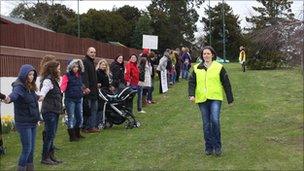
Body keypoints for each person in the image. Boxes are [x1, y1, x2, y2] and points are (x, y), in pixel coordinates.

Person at [188, 46, 234, 157]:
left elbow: (226, 83)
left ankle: (217, 147)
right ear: (202, 55)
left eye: (208, 53)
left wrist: (230, 98)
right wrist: (191, 95)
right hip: (202, 98)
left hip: (215, 98)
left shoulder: (219, 67)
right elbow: (192, 82)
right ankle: (208, 147)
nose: (206, 55)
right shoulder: (196, 68)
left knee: (215, 120)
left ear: (212, 55)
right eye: (204, 54)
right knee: (206, 124)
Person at [4, 64, 40, 171]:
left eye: (33, 74)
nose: (31, 77)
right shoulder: (18, 86)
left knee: (31, 149)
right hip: (24, 123)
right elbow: (15, 95)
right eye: (29, 74)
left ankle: (30, 169)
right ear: (24, 74)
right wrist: (8, 98)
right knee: (27, 149)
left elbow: (31, 97)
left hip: (32, 121)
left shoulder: (30, 85)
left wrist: (39, 97)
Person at [39, 60, 63, 165]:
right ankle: (45, 158)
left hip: (55, 110)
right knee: (49, 135)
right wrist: (42, 96)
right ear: (53, 69)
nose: (59, 70)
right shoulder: (48, 81)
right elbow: (44, 90)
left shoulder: (54, 79)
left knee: (52, 135)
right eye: (58, 68)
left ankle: (51, 156)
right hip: (49, 111)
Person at [60, 59, 85, 142]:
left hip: (79, 98)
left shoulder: (79, 75)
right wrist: (60, 92)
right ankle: (72, 136)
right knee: (71, 117)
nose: (76, 68)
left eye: (77, 66)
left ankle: (77, 133)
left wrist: (83, 90)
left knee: (79, 117)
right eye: (74, 67)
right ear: (70, 67)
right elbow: (63, 86)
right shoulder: (66, 76)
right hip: (70, 99)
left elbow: (80, 85)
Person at [82, 47, 99, 133]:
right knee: (87, 109)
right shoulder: (85, 61)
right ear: (87, 52)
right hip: (88, 91)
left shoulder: (91, 62)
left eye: (94, 52)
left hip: (94, 90)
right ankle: (86, 126)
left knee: (94, 108)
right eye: (91, 52)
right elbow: (84, 76)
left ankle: (91, 126)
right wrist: (86, 87)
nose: (93, 54)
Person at [96, 59, 113, 127]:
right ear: (99, 65)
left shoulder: (105, 74)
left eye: (105, 65)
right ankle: (100, 121)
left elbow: (107, 83)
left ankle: (106, 120)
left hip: (106, 91)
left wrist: (110, 87)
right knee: (101, 107)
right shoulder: (97, 72)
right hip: (101, 92)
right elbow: (97, 82)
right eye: (102, 65)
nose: (104, 66)